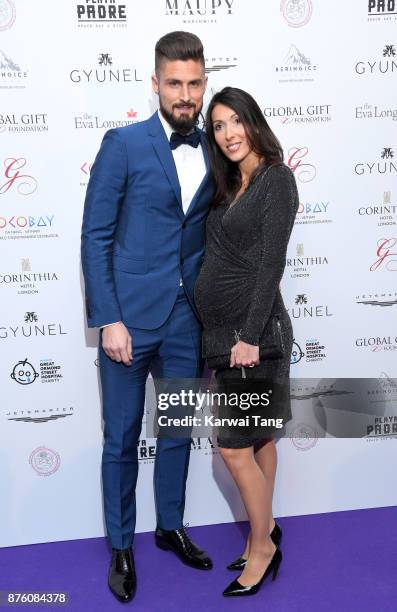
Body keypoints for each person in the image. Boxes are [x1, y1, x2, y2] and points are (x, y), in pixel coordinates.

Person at [81, 31, 214, 603]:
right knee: (121, 438)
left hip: (189, 321)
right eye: (174, 83)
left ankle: (170, 526)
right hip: (129, 323)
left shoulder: (217, 147)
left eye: (194, 84)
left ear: (204, 84)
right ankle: (120, 545)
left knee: (178, 432)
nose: (185, 95)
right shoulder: (124, 143)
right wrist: (108, 318)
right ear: (155, 83)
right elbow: (96, 235)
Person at [194, 86, 299, 597]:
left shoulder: (276, 180)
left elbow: (271, 264)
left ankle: (262, 549)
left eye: (236, 121)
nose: (229, 133)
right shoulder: (230, 183)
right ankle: (266, 531)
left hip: (253, 338)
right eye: (218, 126)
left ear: (253, 122)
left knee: (233, 449)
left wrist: (250, 337)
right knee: (257, 442)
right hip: (224, 336)